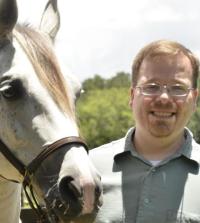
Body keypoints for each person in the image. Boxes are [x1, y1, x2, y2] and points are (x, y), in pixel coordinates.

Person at [89, 40, 200, 223]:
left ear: (194, 99)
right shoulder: (89, 169)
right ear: (132, 96)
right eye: (151, 87)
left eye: (178, 88)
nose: (164, 98)